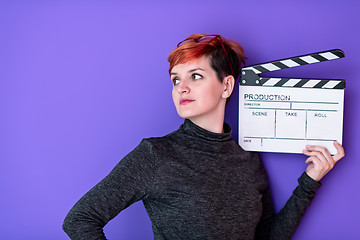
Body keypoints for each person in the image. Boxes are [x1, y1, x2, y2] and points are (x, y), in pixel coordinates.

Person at [62, 34, 345, 239]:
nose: (181, 88)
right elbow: (80, 220)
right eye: (175, 79)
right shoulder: (156, 155)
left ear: (226, 86)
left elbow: (268, 237)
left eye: (195, 76)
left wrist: (310, 181)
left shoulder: (247, 158)